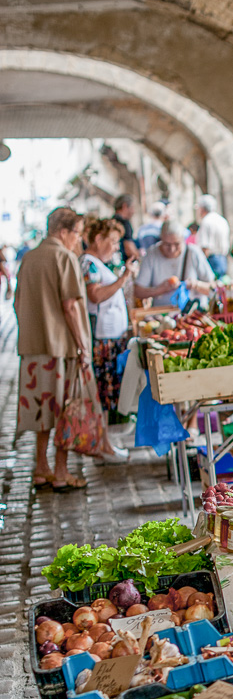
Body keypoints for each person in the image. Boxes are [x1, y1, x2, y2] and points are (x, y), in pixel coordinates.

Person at [14, 208, 99, 489]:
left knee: (41, 410)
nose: (79, 240)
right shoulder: (64, 257)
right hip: (61, 347)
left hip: (32, 348)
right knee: (65, 408)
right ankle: (61, 472)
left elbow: (17, 302)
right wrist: (83, 346)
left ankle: (41, 469)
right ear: (63, 232)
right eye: (77, 233)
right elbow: (70, 306)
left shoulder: (28, 258)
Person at [81, 217, 137, 429]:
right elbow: (95, 296)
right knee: (104, 391)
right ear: (97, 239)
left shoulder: (97, 264)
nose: (115, 248)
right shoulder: (89, 263)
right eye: (113, 241)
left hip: (111, 334)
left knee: (109, 390)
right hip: (102, 337)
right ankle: (102, 440)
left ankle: (105, 440)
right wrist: (122, 279)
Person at [133, 221, 215, 305]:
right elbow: (138, 291)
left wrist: (195, 284)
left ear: (183, 239)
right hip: (161, 313)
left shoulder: (194, 252)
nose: (172, 249)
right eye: (167, 244)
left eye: (177, 244)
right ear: (161, 239)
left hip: (193, 313)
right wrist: (160, 290)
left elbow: (213, 288)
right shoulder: (151, 254)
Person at [195, 194, 231, 278]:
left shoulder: (206, 221)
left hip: (212, 260)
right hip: (222, 259)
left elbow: (205, 247)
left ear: (202, 209)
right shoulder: (222, 220)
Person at [112, 194, 138, 263]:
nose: (133, 211)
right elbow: (129, 249)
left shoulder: (111, 222)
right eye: (132, 207)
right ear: (125, 206)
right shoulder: (124, 223)